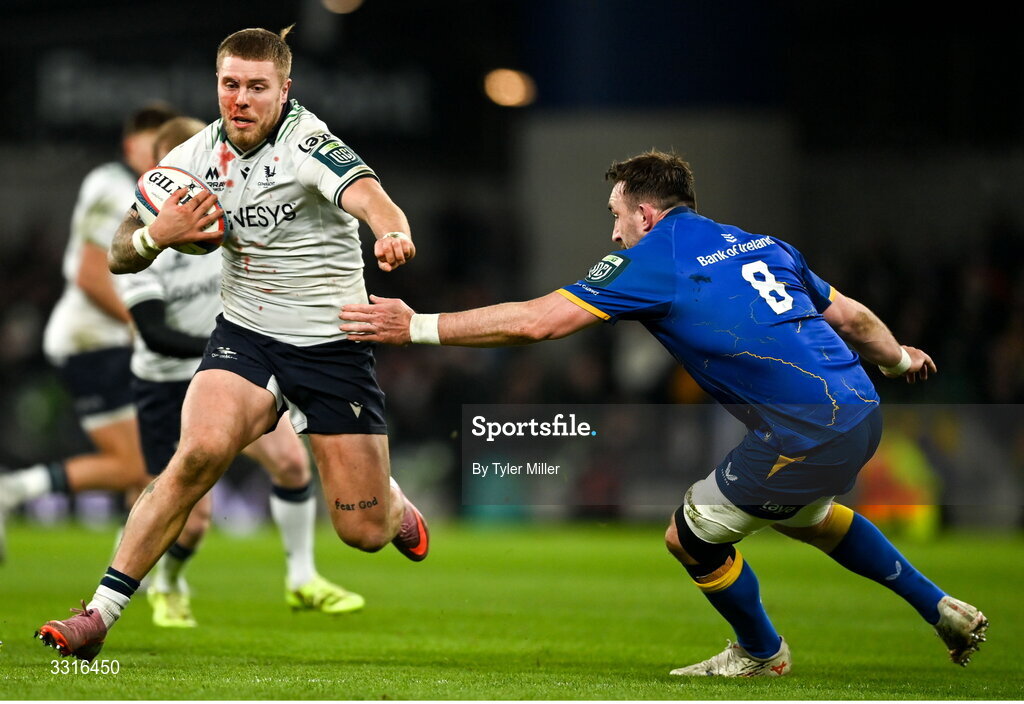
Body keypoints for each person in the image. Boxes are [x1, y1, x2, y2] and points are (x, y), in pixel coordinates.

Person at [338, 150, 988, 677]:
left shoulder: (650, 260)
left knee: (691, 532)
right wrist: (899, 360)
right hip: (862, 409)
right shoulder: (759, 243)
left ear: (646, 215)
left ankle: (762, 654)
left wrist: (416, 325)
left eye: (616, 216)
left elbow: (539, 323)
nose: (612, 231)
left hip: (807, 430)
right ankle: (942, 609)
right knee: (810, 519)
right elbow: (850, 317)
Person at [36, 26, 429, 661]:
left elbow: (374, 200)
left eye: (255, 87)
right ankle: (97, 615)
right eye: (229, 84)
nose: (240, 99)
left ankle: (394, 506)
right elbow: (116, 252)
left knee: (361, 530)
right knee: (195, 456)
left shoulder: (309, 143)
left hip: (331, 347)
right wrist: (155, 235)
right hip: (245, 337)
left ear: (284, 90)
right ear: (217, 84)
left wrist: (390, 233)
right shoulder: (194, 156)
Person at [119, 116, 364, 628]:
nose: (208, 182)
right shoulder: (159, 242)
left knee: (293, 467)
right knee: (194, 517)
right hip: (166, 382)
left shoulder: (226, 219)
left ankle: (302, 578)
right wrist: (230, 350)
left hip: (231, 371)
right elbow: (154, 334)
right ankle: (165, 583)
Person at [0, 104, 178, 563]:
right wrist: (145, 328)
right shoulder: (112, 184)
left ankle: (134, 567)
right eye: (151, 144)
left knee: (148, 462)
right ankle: (12, 489)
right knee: (136, 463)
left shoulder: (150, 192)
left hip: (109, 341)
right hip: (91, 341)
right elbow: (89, 274)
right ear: (129, 145)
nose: (160, 154)